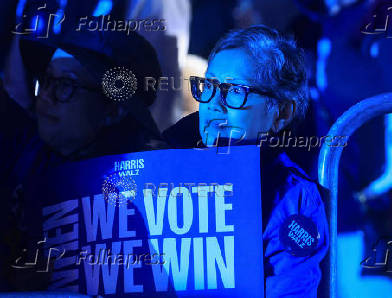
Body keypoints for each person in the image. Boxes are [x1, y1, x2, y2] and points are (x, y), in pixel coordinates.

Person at [164, 25, 329, 297]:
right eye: (209, 84)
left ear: (281, 114)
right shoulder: (156, 162)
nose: (214, 104)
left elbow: (290, 289)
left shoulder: (293, 200)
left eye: (235, 90)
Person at [0, 22, 165, 291]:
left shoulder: (153, 185)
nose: (46, 97)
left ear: (114, 110)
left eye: (67, 85)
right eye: (47, 80)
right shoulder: (20, 148)